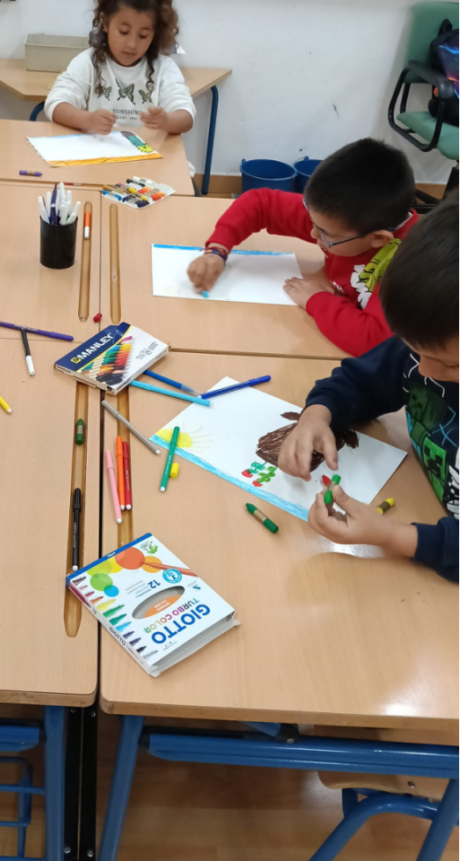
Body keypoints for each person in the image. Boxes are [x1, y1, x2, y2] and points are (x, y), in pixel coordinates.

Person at [277, 198, 460, 583]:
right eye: (415, 351)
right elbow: (361, 381)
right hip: (421, 500)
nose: (423, 371)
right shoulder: (433, 343)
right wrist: (317, 415)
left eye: (451, 366)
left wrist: (392, 536)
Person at [187, 139, 419, 357]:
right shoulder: (343, 219)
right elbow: (259, 203)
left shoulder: (405, 266)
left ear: (378, 239)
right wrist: (217, 251)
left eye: (326, 233)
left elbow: (374, 341)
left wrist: (316, 299)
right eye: (313, 221)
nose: (313, 234)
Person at [45, 0, 195, 135]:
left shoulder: (164, 68)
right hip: (98, 149)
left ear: (155, 34)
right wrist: (88, 120)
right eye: (124, 32)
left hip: (147, 150)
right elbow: (55, 104)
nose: (132, 44)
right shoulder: (89, 62)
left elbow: (186, 116)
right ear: (105, 24)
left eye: (143, 35)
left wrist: (167, 121)